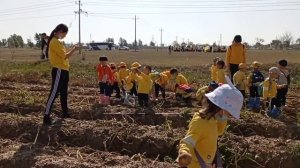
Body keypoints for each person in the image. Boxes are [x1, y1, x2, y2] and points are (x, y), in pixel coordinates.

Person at [177, 77, 243, 168]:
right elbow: (188, 141)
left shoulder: (213, 120)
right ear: (221, 108)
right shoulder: (201, 121)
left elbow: (219, 132)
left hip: (207, 163)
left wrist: (222, 117)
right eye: (228, 112)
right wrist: (184, 153)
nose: (229, 115)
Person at [44, 24, 79, 125]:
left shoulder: (58, 42)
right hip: (59, 70)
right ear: (60, 31)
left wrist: (72, 48)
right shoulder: (54, 42)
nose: (65, 36)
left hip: (64, 70)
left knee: (64, 93)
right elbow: (65, 56)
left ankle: (65, 113)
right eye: (65, 34)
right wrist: (74, 49)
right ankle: (46, 116)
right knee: (54, 93)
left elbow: (63, 55)